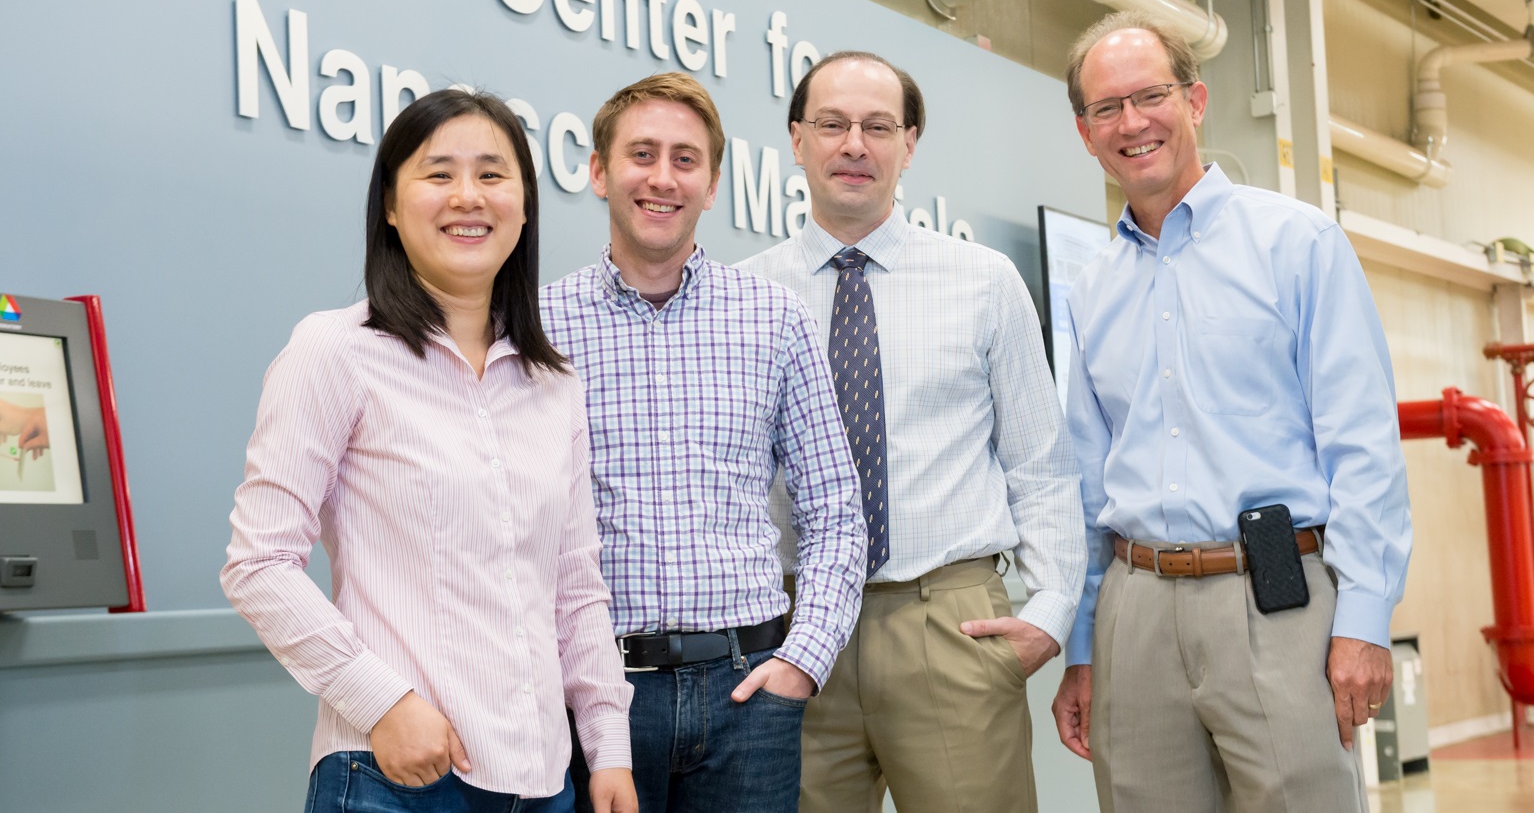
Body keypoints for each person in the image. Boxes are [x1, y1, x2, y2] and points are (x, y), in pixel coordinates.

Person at [221, 89, 636, 813]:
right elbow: (258, 565)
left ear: (526, 204)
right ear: (389, 203)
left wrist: (608, 749)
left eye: (492, 174)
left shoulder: (553, 383)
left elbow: (574, 589)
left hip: (544, 783)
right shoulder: (335, 351)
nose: (467, 197)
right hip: (394, 777)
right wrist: (383, 702)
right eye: (438, 173)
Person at [1050, 11, 1412, 813]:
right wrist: (1083, 642)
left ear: (1197, 100)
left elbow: (1363, 446)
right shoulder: (1093, 288)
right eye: (1107, 108)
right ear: (1084, 132)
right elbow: (1085, 478)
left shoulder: (1299, 244)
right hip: (1134, 609)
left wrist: (1364, 618)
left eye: (1150, 96)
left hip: (1276, 594)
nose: (1132, 123)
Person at [738, 51, 1085, 813]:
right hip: (797, 628)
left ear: (910, 143)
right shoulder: (746, 296)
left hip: (948, 620)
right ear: (796, 140)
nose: (854, 144)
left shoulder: (983, 281)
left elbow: (1042, 465)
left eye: (877, 126)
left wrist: (1051, 613)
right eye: (831, 124)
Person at [541, 72, 866, 813]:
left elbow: (836, 510)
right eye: (642, 154)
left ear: (713, 183)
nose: (663, 178)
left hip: (748, 695)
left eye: (686, 159)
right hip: (594, 696)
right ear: (598, 171)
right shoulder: (538, 328)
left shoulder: (774, 318)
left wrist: (803, 662)